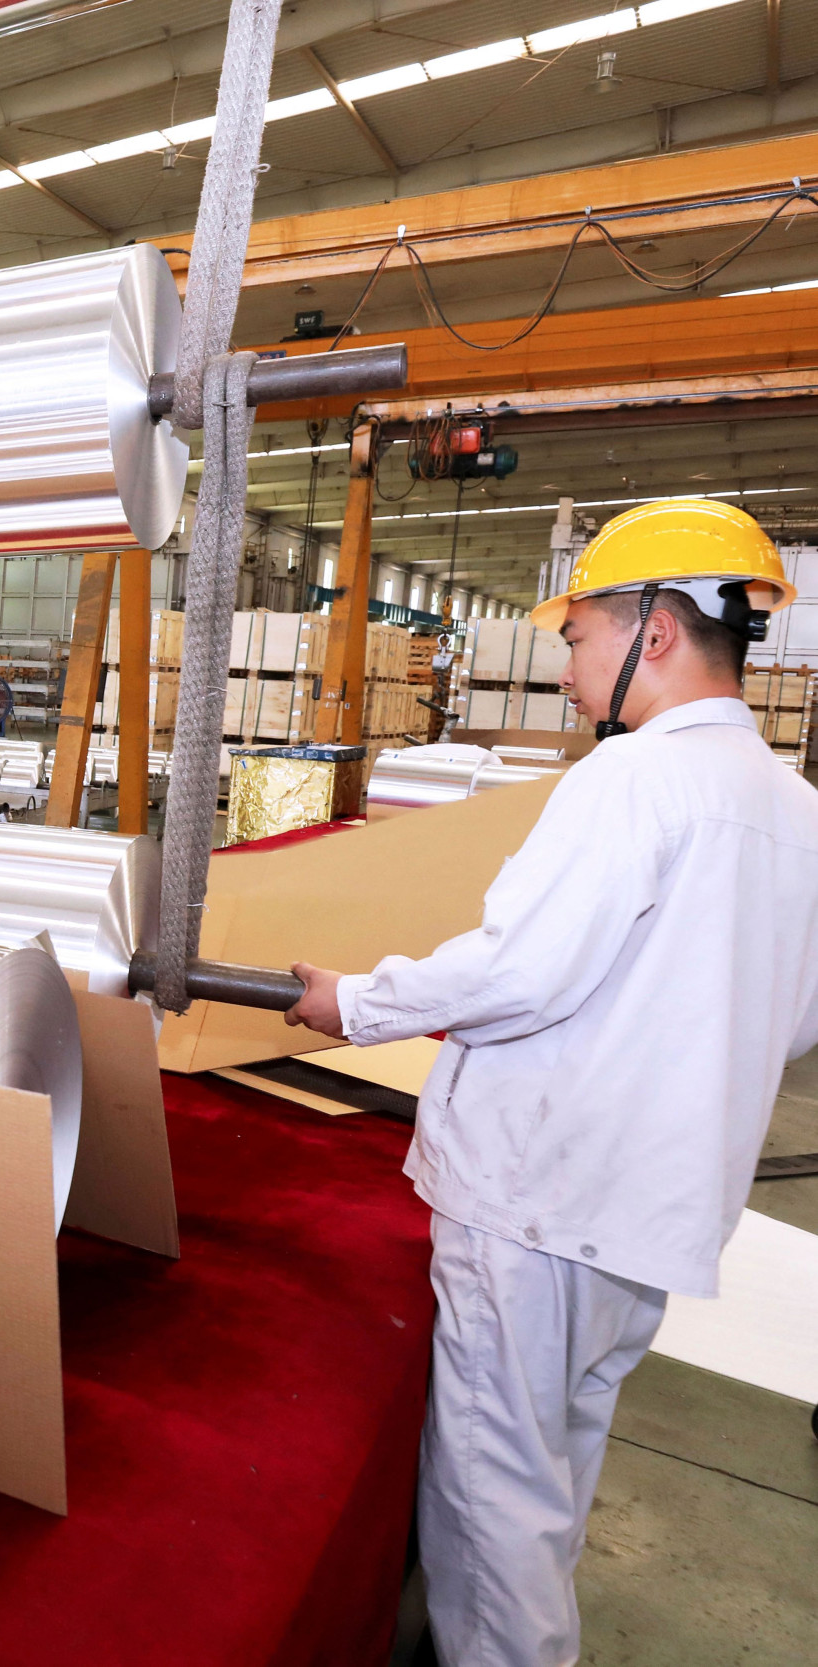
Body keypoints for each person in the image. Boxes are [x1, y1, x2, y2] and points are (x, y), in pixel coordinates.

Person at [282, 497, 818, 1667]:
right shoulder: (795, 811)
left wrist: (354, 1003)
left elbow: (517, 971)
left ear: (657, 631)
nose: (566, 662)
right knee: (560, 1458)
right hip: (651, 1214)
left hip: (537, 1201)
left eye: (579, 634)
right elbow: (786, 1023)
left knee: (493, 1498)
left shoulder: (629, 784)